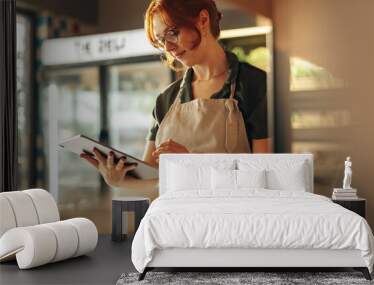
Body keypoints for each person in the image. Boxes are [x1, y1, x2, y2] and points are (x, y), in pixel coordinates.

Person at [80, 0, 272, 197]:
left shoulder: (254, 85)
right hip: (175, 221)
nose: (168, 47)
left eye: (173, 32)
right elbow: (153, 180)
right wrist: (119, 180)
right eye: (160, 41)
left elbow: (262, 178)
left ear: (203, 20)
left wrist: (192, 164)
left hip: (229, 220)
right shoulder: (166, 100)